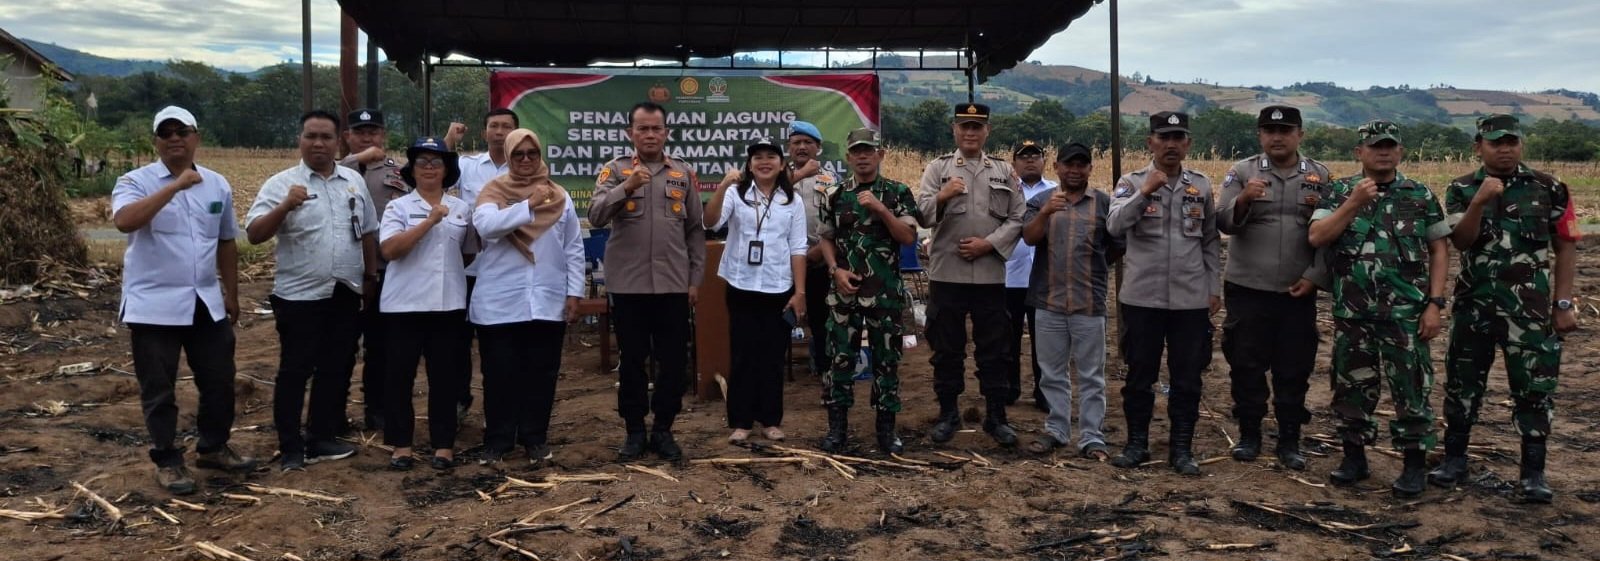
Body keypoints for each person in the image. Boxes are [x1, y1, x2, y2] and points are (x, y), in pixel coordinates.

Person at [1432, 114, 1580, 503]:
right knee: (1463, 384)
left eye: (1511, 141)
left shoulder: (1549, 188)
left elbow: (1566, 245)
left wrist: (1563, 303)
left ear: (1521, 144)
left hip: (1529, 309)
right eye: (1496, 142)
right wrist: (1480, 201)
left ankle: (1533, 473)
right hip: (1474, 305)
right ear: (1478, 146)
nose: (1505, 148)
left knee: (1534, 388)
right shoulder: (1462, 188)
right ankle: (1454, 459)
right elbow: (1462, 242)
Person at [112, 106, 256, 494]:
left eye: (183, 131)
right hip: (153, 304)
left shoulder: (217, 185)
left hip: (204, 301)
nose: (175, 138)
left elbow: (226, 240)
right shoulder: (135, 181)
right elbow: (125, 221)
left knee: (219, 379)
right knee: (159, 387)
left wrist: (232, 292)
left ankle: (212, 446)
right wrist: (173, 187)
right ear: (155, 141)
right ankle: (167, 459)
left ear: (197, 137)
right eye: (166, 132)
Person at [1308, 120, 1450, 498]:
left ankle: (1414, 465)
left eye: (1390, 145)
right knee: (1351, 388)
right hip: (1353, 314)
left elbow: (1439, 249)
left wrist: (1435, 303)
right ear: (1360, 152)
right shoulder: (1339, 190)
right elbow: (1318, 237)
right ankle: (1354, 458)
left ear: (1400, 151)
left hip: (1406, 315)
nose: (1383, 152)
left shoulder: (1418, 194)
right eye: (1374, 146)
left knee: (1412, 389)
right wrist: (1354, 202)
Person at [246, 110, 377, 471]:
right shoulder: (280, 184)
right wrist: (286, 205)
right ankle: (290, 445)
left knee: (335, 368)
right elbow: (255, 234)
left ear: (340, 142)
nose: (318, 143)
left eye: (326, 137)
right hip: (299, 295)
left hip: (345, 290)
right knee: (295, 370)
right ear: (299, 140)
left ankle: (320, 437)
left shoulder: (352, 181)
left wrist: (369, 277)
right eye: (310, 136)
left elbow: (367, 231)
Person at [588, 101, 706, 461]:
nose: (650, 134)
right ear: (630, 133)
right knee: (633, 360)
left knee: (673, 362)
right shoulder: (615, 171)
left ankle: (664, 430)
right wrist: (625, 187)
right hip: (629, 286)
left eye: (656, 128)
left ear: (666, 133)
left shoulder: (682, 174)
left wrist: (695, 279)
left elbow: (694, 232)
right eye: (643, 128)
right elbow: (595, 216)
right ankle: (635, 431)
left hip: (673, 285)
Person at [1214, 106, 1331, 471]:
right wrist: (1245, 198)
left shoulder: (1319, 176)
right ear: (1260, 135)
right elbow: (1223, 222)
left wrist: (1314, 276)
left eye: (1285, 130)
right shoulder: (1242, 172)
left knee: (1293, 367)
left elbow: (1330, 235)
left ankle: (1290, 439)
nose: (1277, 137)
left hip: (1297, 292)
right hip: (1248, 288)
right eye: (1269, 130)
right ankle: (1249, 435)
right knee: (1246, 364)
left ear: (1300, 134)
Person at [1106, 111, 1221, 475]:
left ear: (1187, 144)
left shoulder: (1200, 186)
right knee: (1140, 375)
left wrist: (1213, 288)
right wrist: (1145, 192)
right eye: (1164, 137)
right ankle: (1136, 443)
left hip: (1189, 299)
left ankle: (1181, 449)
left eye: (1178, 138)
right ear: (1150, 143)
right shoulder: (1131, 181)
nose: (1171, 144)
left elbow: (1209, 240)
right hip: (1142, 298)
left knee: (1187, 377)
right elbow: (1114, 226)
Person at [471, 129, 585, 465]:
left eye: (531, 154)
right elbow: (487, 227)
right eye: (517, 154)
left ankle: (535, 438)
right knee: (500, 374)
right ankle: (498, 441)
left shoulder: (559, 196)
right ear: (507, 157)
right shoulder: (493, 191)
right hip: (499, 302)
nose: (525, 160)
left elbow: (573, 248)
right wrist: (528, 205)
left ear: (540, 156)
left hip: (547, 301)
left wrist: (574, 293)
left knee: (541, 373)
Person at [915, 103, 1026, 447]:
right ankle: (948, 413)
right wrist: (943, 196)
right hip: (947, 274)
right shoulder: (938, 169)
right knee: (947, 349)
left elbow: (1017, 218)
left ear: (987, 131)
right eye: (964, 126)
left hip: (990, 275)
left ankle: (996, 416)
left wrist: (988, 244)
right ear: (954, 130)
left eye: (977, 127)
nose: (970, 133)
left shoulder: (1004, 171)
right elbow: (921, 215)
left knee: (995, 350)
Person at [817, 128, 922, 454]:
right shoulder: (833, 194)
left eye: (869, 150)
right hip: (845, 293)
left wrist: (881, 210)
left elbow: (907, 237)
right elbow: (826, 237)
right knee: (839, 361)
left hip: (884, 293)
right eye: (857, 151)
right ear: (848, 157)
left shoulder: (897, 192)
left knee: (886, 361)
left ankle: (886, 432)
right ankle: (837, 431)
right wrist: (835, 270)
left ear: (881, 154)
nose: (863, 156)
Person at [377, 138, 476, 471]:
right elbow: (390, 250)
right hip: (404, 306)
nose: (430, 167)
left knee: (445, 378)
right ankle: (401, 445)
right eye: (423, 161)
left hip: (447, 305)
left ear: (447, 170)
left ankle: (443, 445)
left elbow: (468, 252)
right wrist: (430, 221)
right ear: (412, 170)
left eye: (437, 162)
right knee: (400, 378)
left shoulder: (462, 209)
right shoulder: (398, 207)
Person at [1019, 143, 1120, 458]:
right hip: (1048, 302)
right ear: (1058, 168)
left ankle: (1091, 436)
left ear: (1090, 169)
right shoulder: (1040, 202)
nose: (1074, 171)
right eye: (1068, 165)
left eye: (1081, 165)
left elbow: (1116, 246)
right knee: (1051, 372)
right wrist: (1048, 212)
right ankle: (1057, 429)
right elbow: (1029, 237)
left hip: (1089, 303)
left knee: (1092, 375)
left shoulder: (1104, 204)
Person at [706, 138, 809, 444]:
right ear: (749, 165)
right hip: (741, 284)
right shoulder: (736, 194)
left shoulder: (792, 201)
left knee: (773, 357)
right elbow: (709, 222)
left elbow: (798, 247)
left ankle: (771, 420)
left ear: (781, 164)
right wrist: (723, 185)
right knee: (742, 355)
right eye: (758, 158)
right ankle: (740, 422)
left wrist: (799, 292)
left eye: (771, 157)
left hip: (778, 287)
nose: (764, 162)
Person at [444, 108, 517, 422]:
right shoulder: (467, 166)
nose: (499, 132)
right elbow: (432, 170)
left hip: (506, 271)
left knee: (499, 347)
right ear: (485, 131)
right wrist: (449, 141)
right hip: (468, 270)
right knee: (458, 343)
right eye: (493, 126)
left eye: (506, 127)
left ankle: (499, 409)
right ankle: (460, 400)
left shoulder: (525, 169)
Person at [341, 109, 407, 432]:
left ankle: (376, 408)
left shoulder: (398, 172)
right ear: (347, 136)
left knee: (380, 347)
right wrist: (359, 159)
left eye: (374, 132)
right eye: (360, 132)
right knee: (340, 348)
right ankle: (333, 413)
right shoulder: (337, 170)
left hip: (384, 271)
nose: (368, 138)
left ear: (384, 135)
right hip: (345, 273)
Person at [1004, 140, 1055, 410]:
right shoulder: (1006, 191)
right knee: (1008, 339)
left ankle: (1043, 392)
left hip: (1045, 279)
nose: (1030, 161)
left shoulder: (1056, 192)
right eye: (1024, 157)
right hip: (1011, 276)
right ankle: (1010, 388)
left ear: (1045, 161)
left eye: (1036, 156)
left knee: (1044, 341)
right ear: (1014, 163)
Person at [785, 120, 837, 376]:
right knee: (778, 320)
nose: (802, 147)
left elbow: (838, 222)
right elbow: (768, 197)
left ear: (818, 148)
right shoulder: (777, 176)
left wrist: (816, 253)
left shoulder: (831, 180)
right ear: (789, 148)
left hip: (817, 260)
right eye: (797, 143)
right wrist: (800, 175)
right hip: (782, 265)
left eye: (808, 143)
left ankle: (825, 375)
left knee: (821, 321)